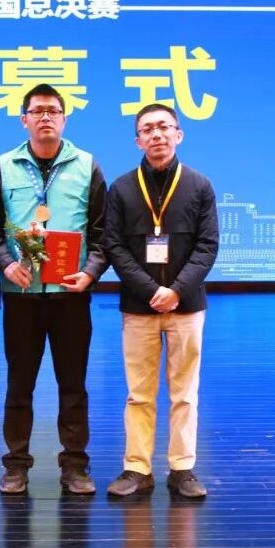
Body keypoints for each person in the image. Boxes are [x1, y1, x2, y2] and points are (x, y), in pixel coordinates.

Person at [0, 83, 108, 495]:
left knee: (73, 385)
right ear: (24, 119)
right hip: (21, 296)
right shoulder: (4, 166)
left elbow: (103, 233)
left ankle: (75, 466)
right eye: (37, 111)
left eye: (53, 110)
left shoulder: (87, 165)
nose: (45, 117)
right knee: (20, 385)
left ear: (64, 118)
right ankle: (16, 465)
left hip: (71, 296)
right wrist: (6, 264)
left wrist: (90, 273)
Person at [102, 103, 219, 498]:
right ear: (137, 140)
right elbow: (114, 246)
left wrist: (176, 290)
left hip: (187, 306)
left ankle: (182, 468)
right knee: (139, 394)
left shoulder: (199, 185)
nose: (157, 135)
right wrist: (151, 290)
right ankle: (137, 468)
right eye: (148, 129)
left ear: (178, 134)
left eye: (165, 127)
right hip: (139, 307)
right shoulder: (121, 188)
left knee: (184, 393)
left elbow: (207, 246)